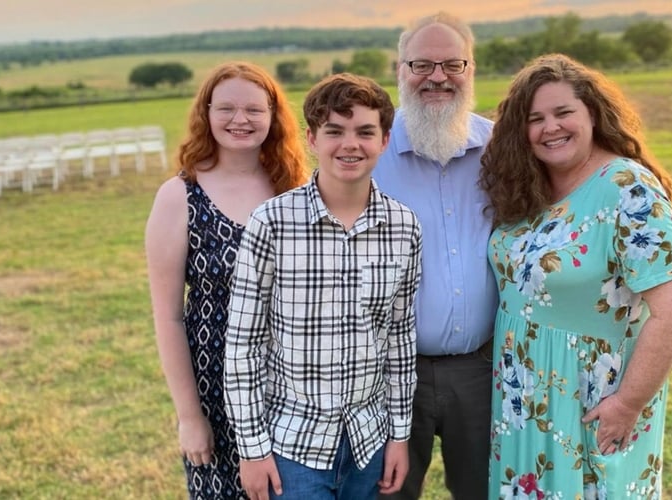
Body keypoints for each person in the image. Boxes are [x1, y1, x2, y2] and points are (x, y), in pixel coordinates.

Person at [478, 53, 672, 498]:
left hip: (591, 398)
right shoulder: (529, 184)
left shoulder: (626, 187)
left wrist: (628, 403)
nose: (550, 127)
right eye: (535, 118)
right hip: (523, 398)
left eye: (563, 113)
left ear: (593, 115)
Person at [223, 73, 423, 500]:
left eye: (365, 132)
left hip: (369, 441)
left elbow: (400, 340)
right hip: (292, 447)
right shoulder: (272, 222)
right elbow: (243, 345)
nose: (350, 144)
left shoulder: (404, 227)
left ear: (385, 140)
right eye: (335, 131)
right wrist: (252, 450)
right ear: (312, 138)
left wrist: (399, 435)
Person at [145, 61, 308, 499]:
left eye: (254, 109)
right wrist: (189, 417)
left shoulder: (294, 188)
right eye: (227, 108)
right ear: (207, 112)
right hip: (215, 392)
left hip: (296, 390)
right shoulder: (180, 195)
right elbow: (169, 319)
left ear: (273, 116)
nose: (241, 120)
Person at [372, 11, 498, 500]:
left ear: (471, 70)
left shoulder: (502, 148)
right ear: (399, 69)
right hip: (390, 374)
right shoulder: (368, 153)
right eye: (421, 64)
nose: (438, 77)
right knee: (388, 494)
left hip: (484, 370)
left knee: (485, 492)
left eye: (453, 64)